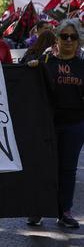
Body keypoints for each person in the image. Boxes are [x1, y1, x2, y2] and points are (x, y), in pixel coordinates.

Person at [27, 19, 84, 228]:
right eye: (64, 36)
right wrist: (32, 67)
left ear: (78, 40)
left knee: (67, 170)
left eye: (73, 37)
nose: (68, 40)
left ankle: (64, 211)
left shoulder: (82, 65)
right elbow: (31, 84)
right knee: (43, 166)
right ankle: (38, 210)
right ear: (57, 38)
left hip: (75, 125)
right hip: (47, 124)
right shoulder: (46, 61)